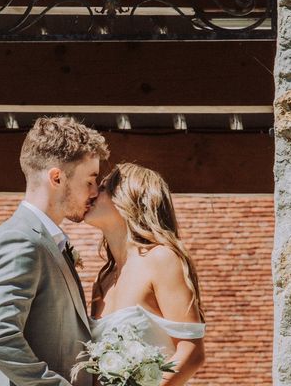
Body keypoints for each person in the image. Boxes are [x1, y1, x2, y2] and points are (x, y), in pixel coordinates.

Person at [0, 116, 110, 386]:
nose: (94, 192)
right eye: (90, 180)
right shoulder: (19, 240)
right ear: (56, 177)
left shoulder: (47, 240)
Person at [85, 163, 206, 386]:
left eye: (102, 188)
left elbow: (192, 352)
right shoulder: (102, 280)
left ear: (127, 197)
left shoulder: (161, 259)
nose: (91, 193)